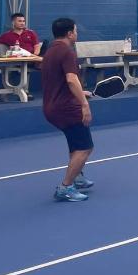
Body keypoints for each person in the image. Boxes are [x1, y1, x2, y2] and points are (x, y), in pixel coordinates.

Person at [41, 17, 94, 202]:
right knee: (85, 147)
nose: (77, 34)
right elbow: (72, 80)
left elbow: (61, 80)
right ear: (70, 33)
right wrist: (84, 104)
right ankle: (66, 187)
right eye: (76, 31)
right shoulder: (67, 52)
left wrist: (80, 93)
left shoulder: (50, 51)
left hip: (51, 107)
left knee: (75, 143)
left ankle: (77, 176)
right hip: (66, 108)